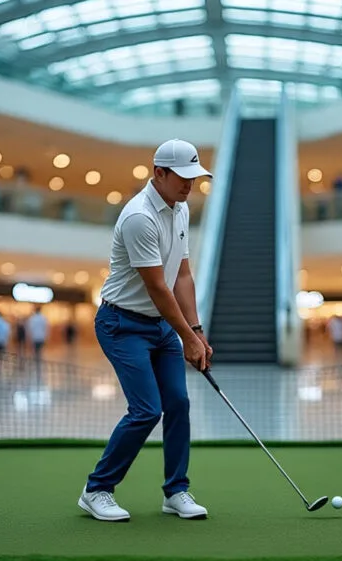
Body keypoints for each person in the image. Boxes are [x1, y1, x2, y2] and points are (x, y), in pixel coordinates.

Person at [78, 138, 213, 523]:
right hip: (122, 324)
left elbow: (182, 275)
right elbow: (157, 287)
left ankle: (176, 491)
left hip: (160, 325)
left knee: (178, 403)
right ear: (159, 173)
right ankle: (97, 489)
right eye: (183, 177)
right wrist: (186, 336)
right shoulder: (139, 216)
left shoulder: (180, 209)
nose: (190, 185)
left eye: (195, 177)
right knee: (146, 410)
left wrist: (197, 330)